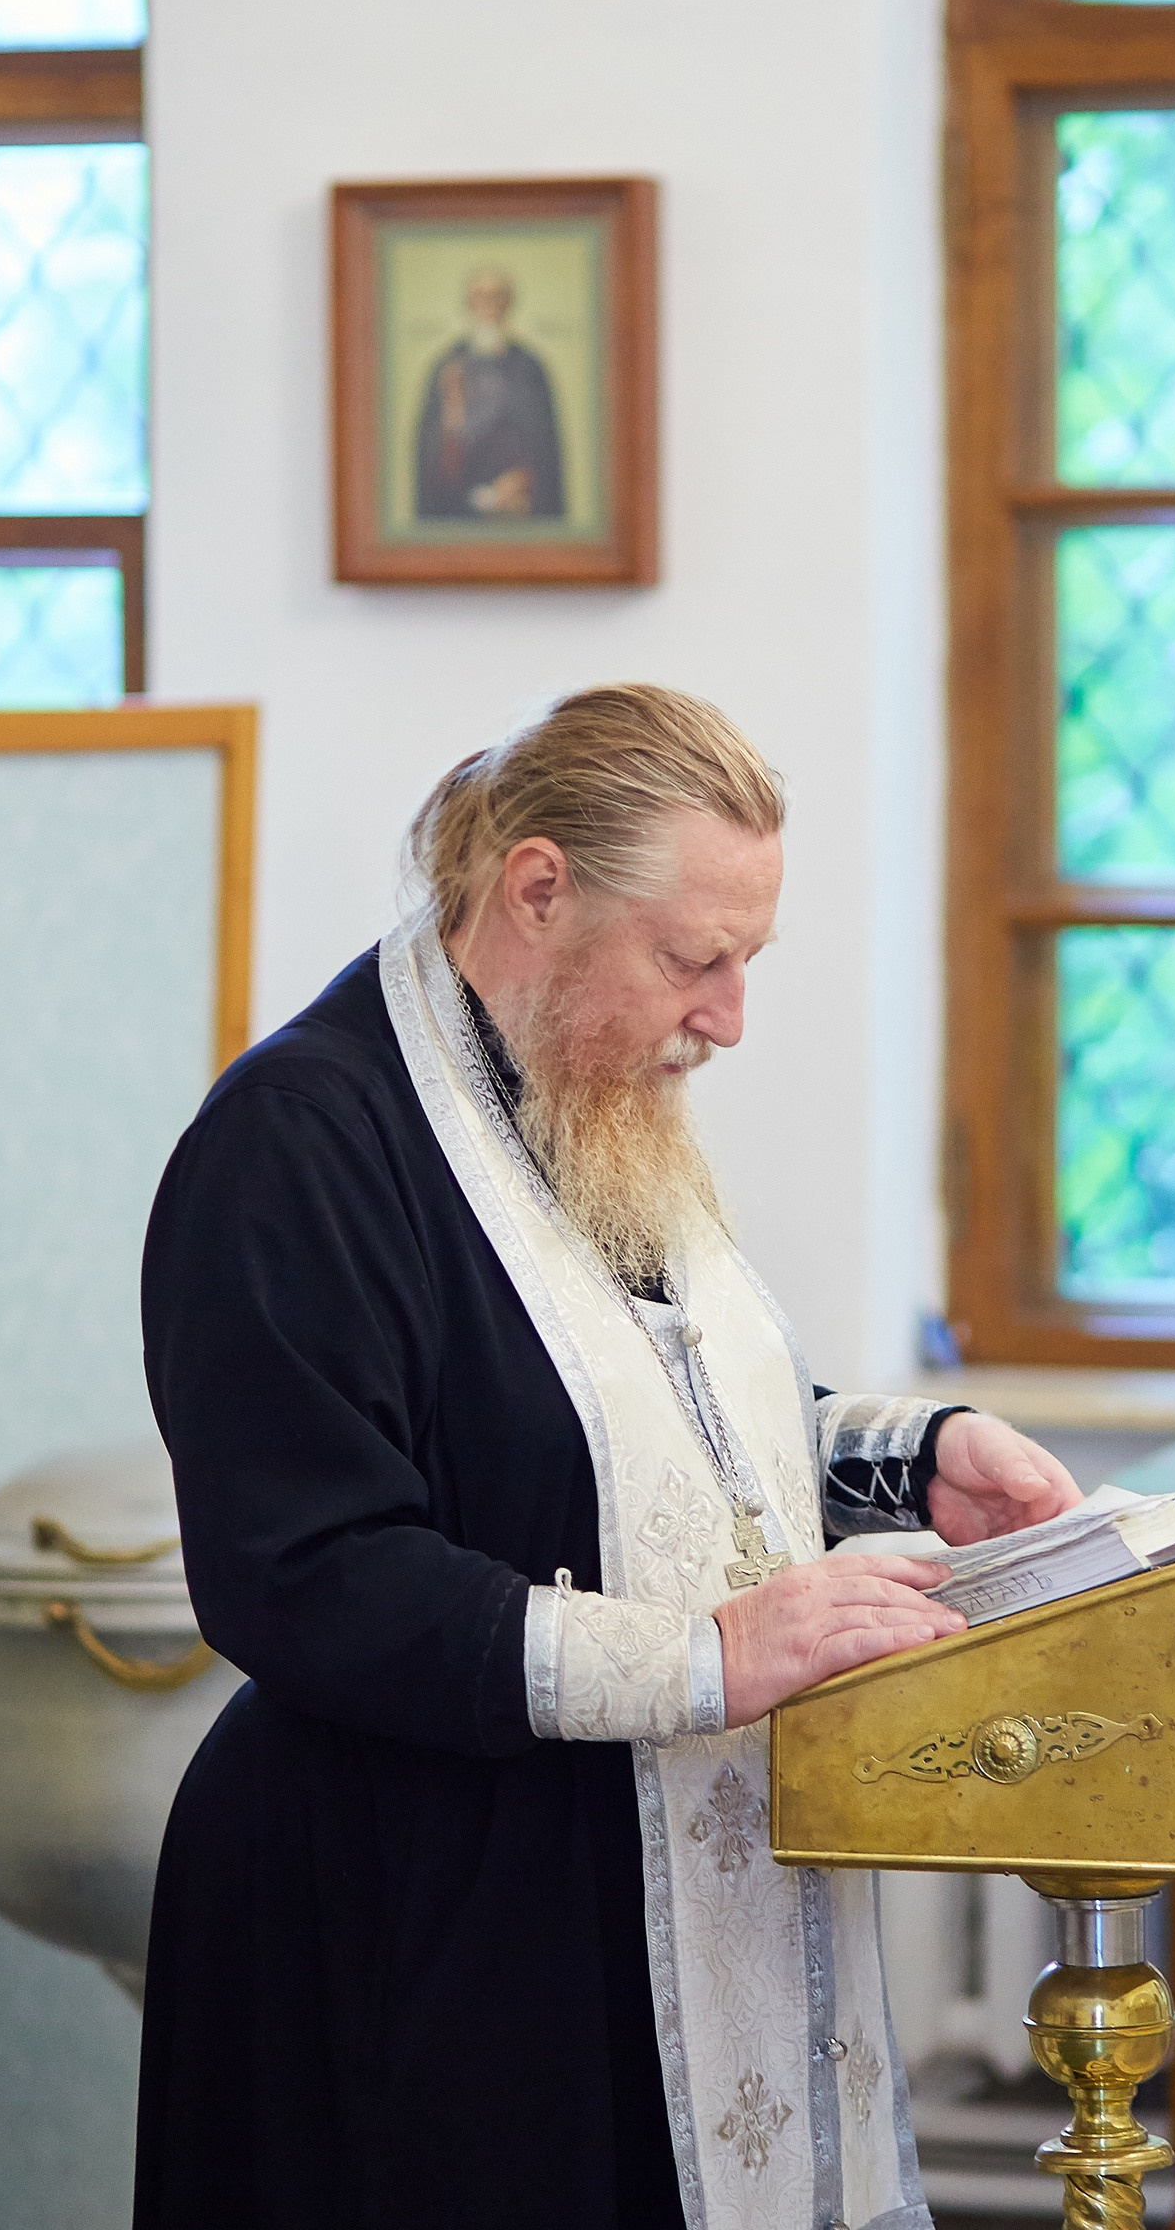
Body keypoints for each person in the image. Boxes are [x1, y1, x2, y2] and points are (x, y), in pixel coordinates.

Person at [134, 686, 1082, 2230]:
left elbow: (649, 1429)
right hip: (403, 1915)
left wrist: (915, 1459)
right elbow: (298, 1572)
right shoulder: (298, 1142)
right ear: (538, 891)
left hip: (598, 1877)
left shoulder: (577, 1095)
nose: (729, 1017)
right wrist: (707, 1659)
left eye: (747, 961)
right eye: (693, 960)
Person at [413, 267, 566, 520]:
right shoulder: (448, 365)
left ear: (508, 303)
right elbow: (432, 450)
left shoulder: (529, 367)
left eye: (497, 297)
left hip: (519, 509)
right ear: (469, 304)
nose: (489, 305)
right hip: (459, 510)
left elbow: (544, 448)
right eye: (480, 297)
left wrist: (522, 482)